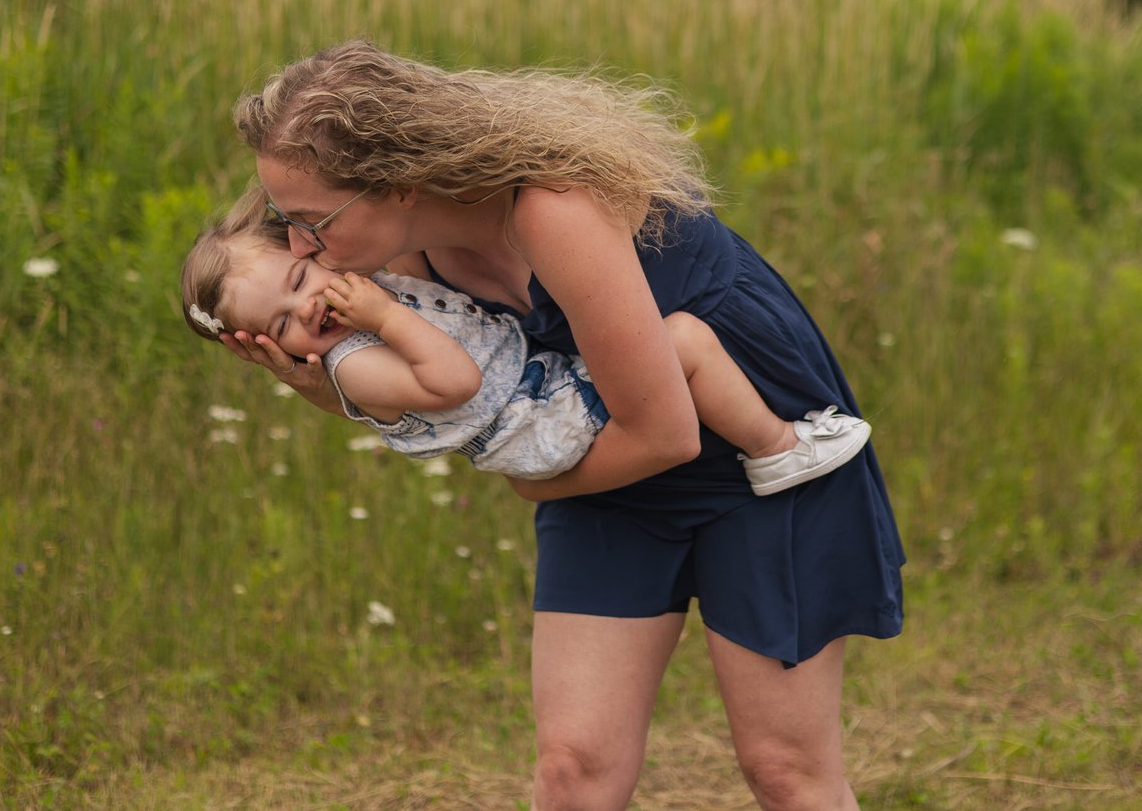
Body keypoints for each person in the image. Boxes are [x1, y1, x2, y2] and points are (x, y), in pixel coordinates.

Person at [217, 40, 903, 810]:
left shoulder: (554, 205)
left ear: (401, 183)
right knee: (574, 769)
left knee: (784, 768)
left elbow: (666, 433)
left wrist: (529, 485)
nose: (300, 247)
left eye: (313, 222)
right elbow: (444, 400)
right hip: (607, 447)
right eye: (285, 222)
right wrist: (318, 385)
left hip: (756, 446)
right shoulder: (397, 267)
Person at [180, 216, 872, 493]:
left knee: (664, 346)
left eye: (301, 279)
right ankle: (778, 448)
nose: (308, 307)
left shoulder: (359, 296)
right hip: (540, 424)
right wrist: (384, 315)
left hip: (543, 391)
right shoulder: (353, 363)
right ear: (267, 348)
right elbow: (454, 378)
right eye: (283, 322)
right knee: (683, 341)